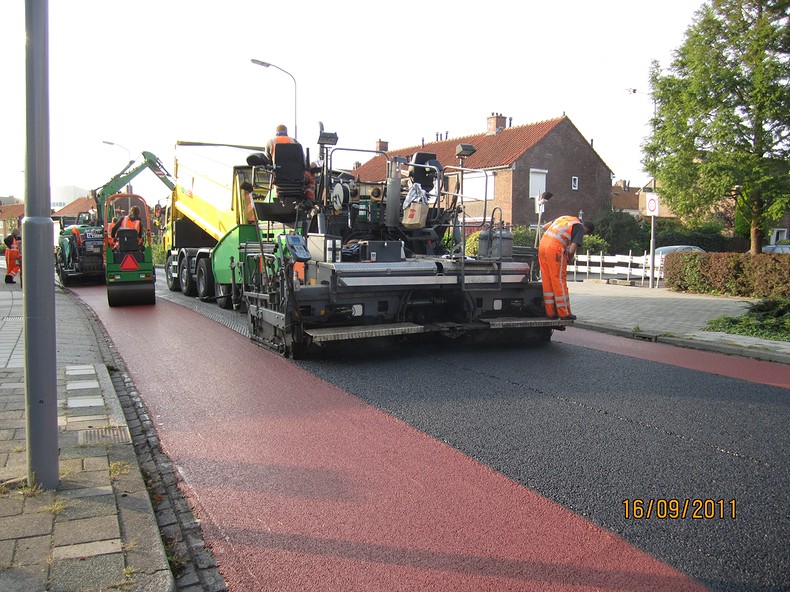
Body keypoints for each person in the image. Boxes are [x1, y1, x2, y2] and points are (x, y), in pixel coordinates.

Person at [538, 215, 594, 320]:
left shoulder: (564, 219)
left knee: (547, 279)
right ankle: (564, 313)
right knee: (558, 280)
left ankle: (551, 312)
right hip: (555, 249)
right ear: (587, 231)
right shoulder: (579, 228)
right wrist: (569, 258)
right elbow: (572, 250)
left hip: (543, 245)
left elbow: (545, 227)